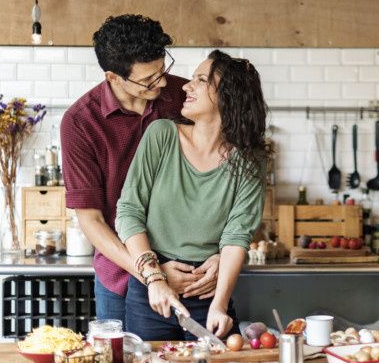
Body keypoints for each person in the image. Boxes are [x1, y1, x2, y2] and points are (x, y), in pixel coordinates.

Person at [60, 15, 220, 325]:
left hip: (194, 274)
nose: (161, 83)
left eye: (163, 70)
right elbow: (90, 220)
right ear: (113, 77)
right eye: (148, 80)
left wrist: (221, 258)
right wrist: (152, 274)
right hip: (122, 277)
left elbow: (218, 168)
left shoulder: (181, 97)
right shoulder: (80, 123)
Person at [115, 49, 268, 340]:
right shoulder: (161, 135)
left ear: (228, 96)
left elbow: (237, 235)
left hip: (208, 289)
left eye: (200, 79)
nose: (186, 85)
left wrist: (219, 305)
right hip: (153, 286)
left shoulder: (250, 160)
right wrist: (154, 278)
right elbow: (129, 212)